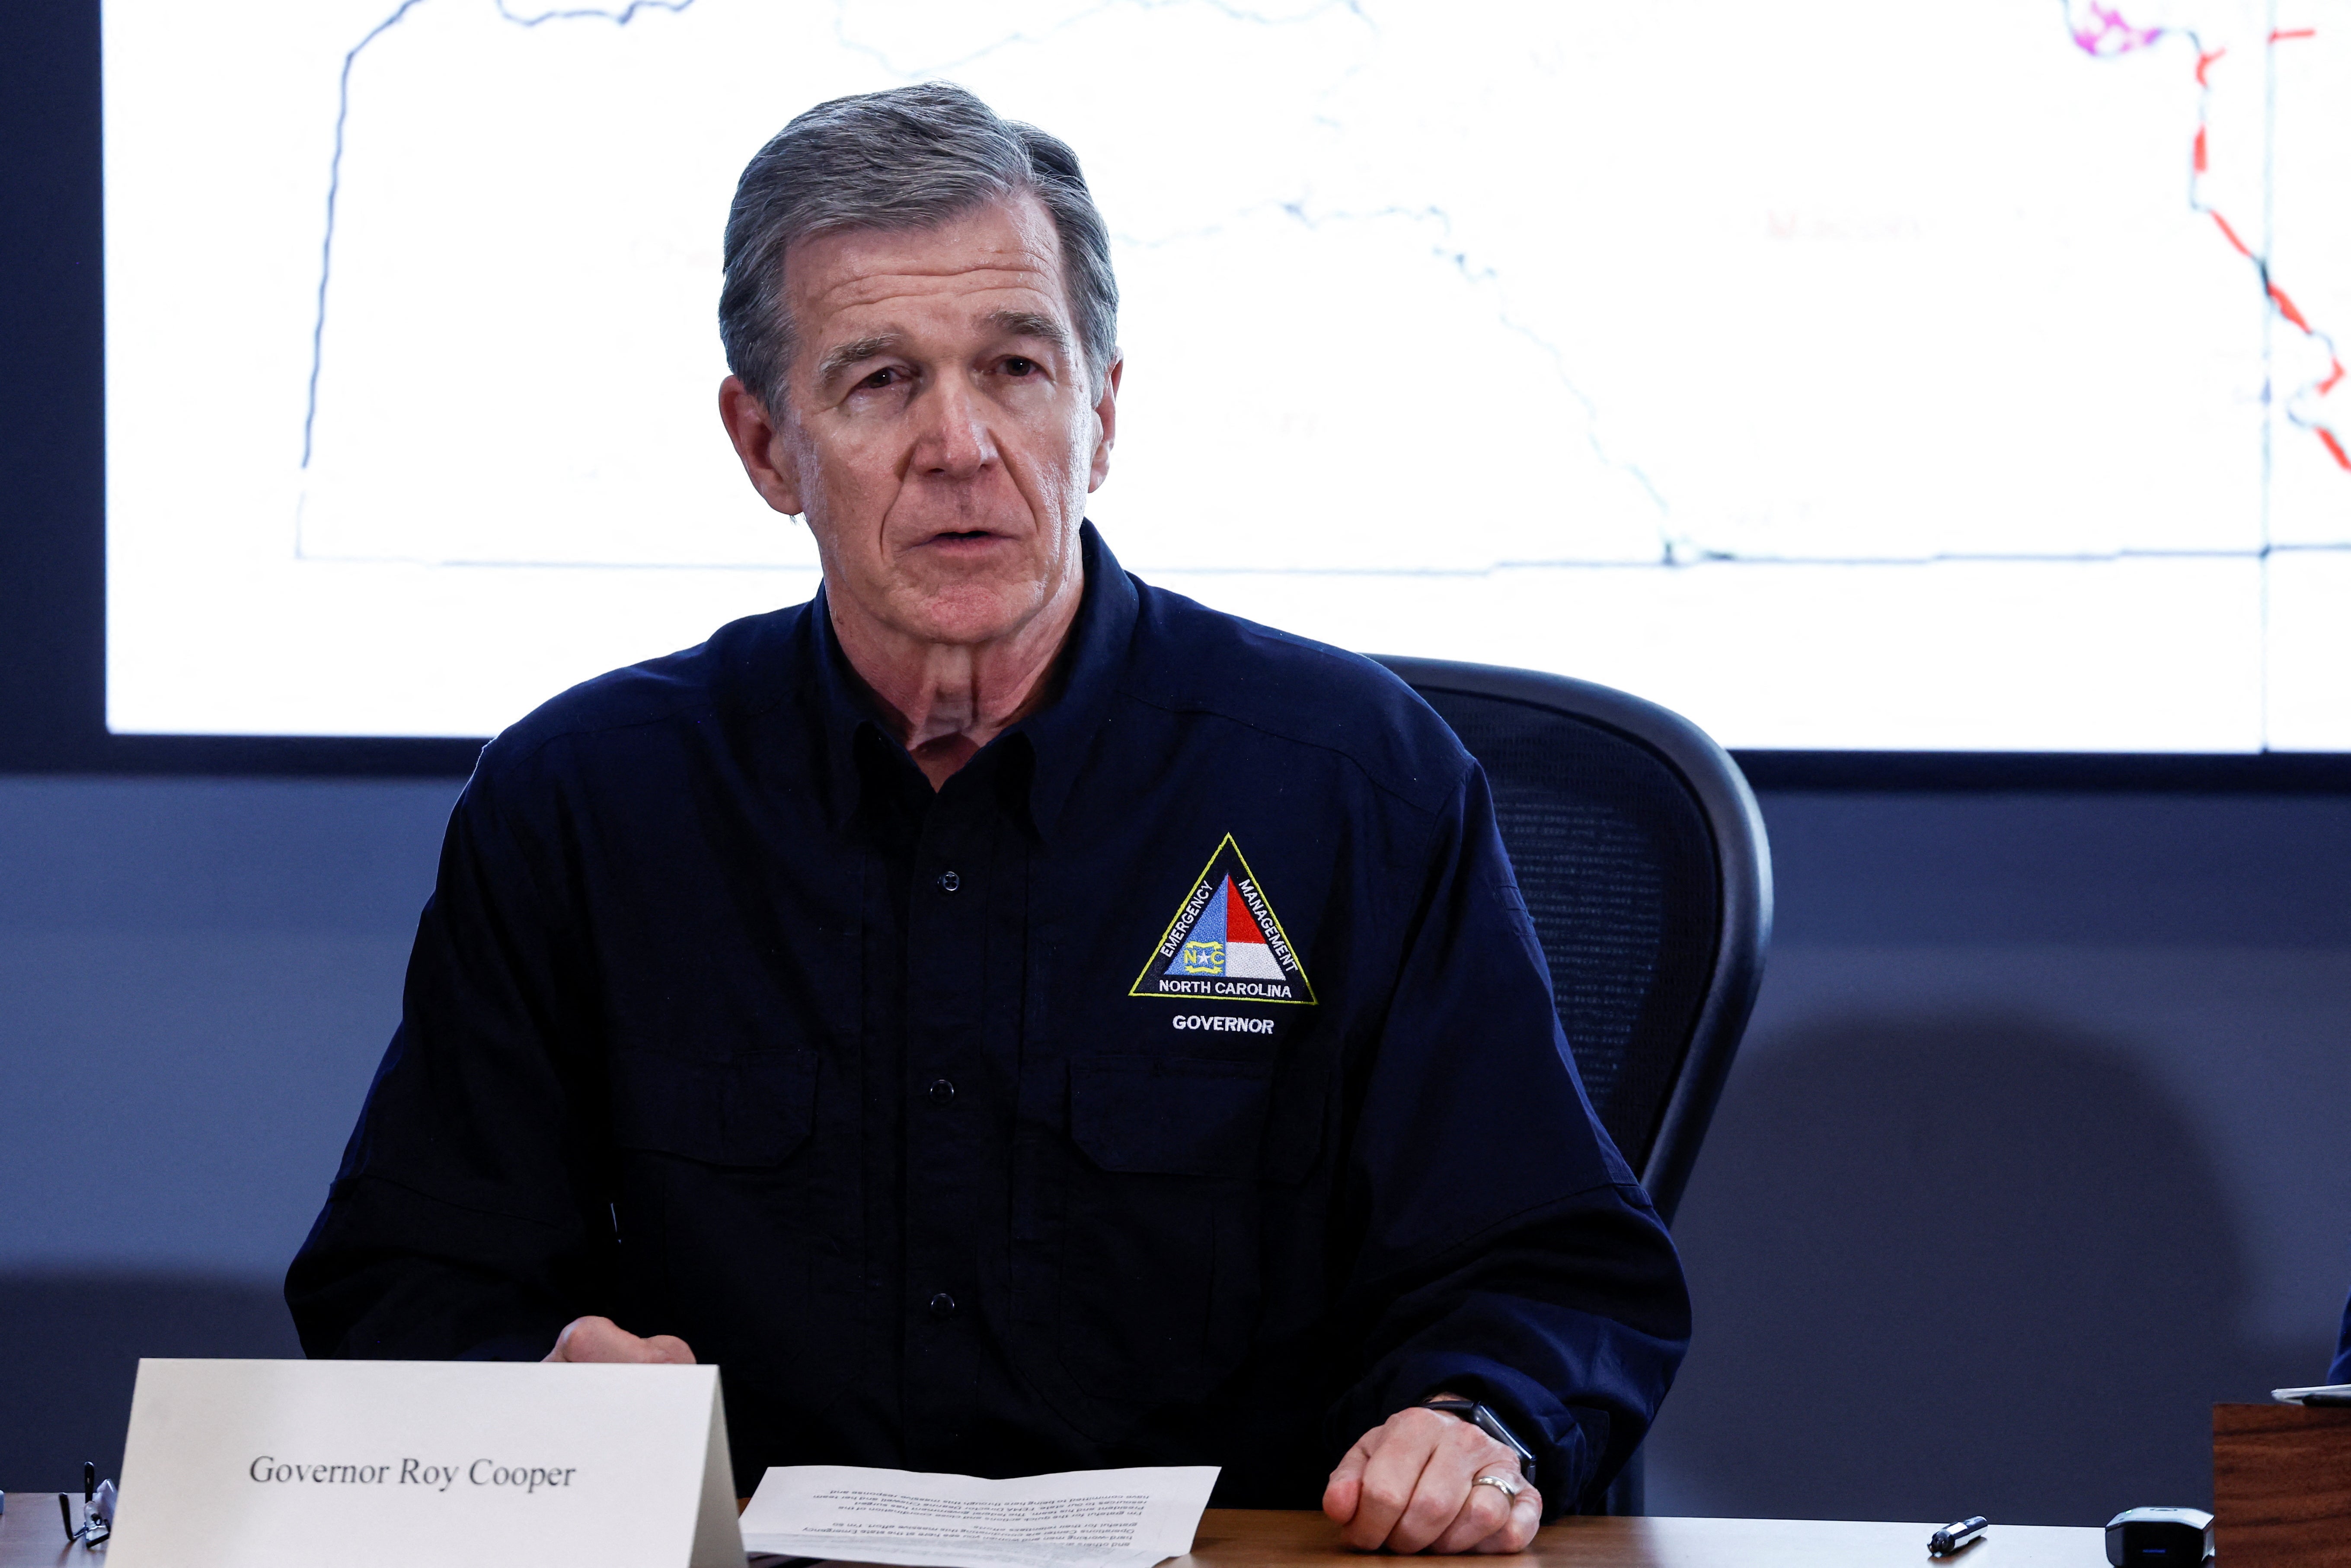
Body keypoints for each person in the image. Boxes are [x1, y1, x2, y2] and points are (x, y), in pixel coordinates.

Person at [286, 82, 1689, 1553]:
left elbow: (1554, 1262)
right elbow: (408, 1277)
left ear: (1102, 414)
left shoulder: (1352, 784)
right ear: (767, 447)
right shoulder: (581, 804)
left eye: (1016, 367)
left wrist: (1473, 1416)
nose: (961, 444)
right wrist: (537, 1379)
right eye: (881, 381)